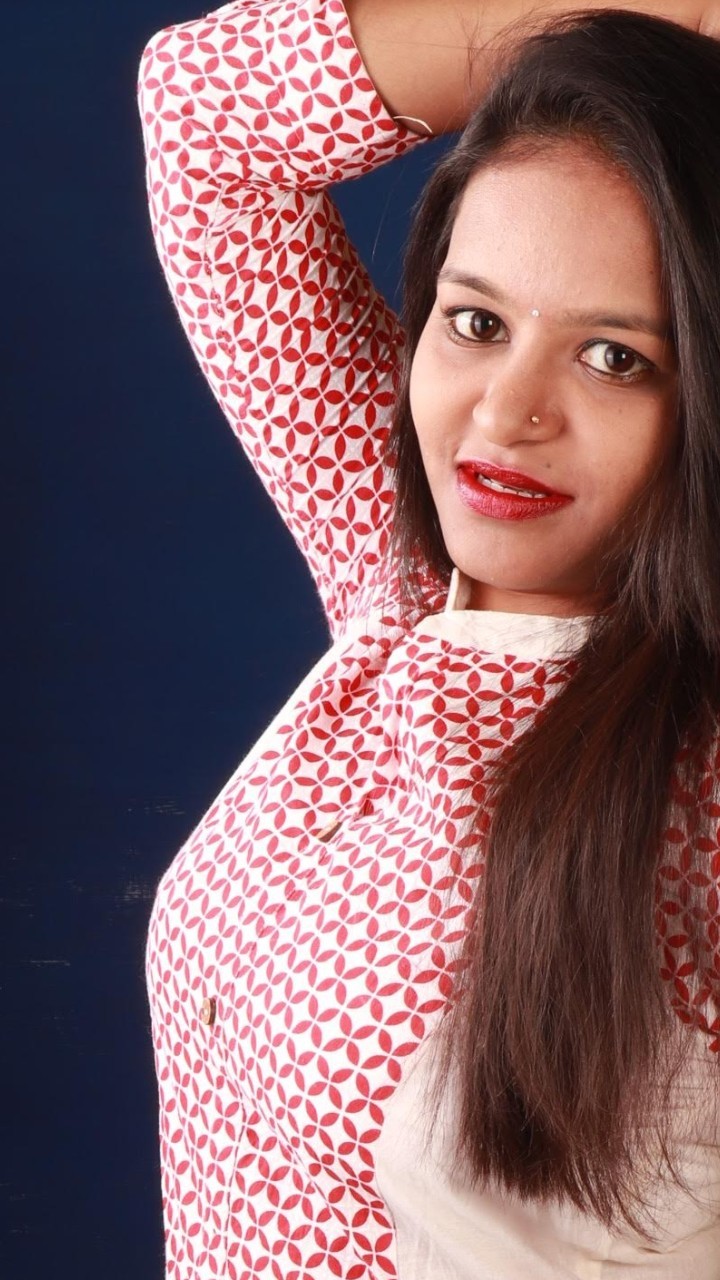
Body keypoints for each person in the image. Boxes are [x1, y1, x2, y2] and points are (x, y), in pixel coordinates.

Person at [138, 1, 720, 1275]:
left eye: (615, 357)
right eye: (476, 321)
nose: (505, 416)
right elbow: (206, 118)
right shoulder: (405, 571)